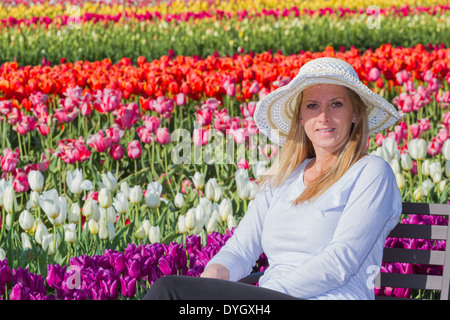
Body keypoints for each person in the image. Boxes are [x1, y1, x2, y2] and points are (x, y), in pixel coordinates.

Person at [143, 57, 404, 300]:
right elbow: (241, 249)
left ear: (355, 114)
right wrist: (210, 281)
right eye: (313, 106)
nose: (324, 117)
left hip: (328, 295)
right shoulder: (285, 176)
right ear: (301, 118)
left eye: (336, 104)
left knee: (168, 291)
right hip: (267, 298)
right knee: (178, 295)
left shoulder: (371, 172)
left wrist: (267, 291)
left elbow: (341, 262)